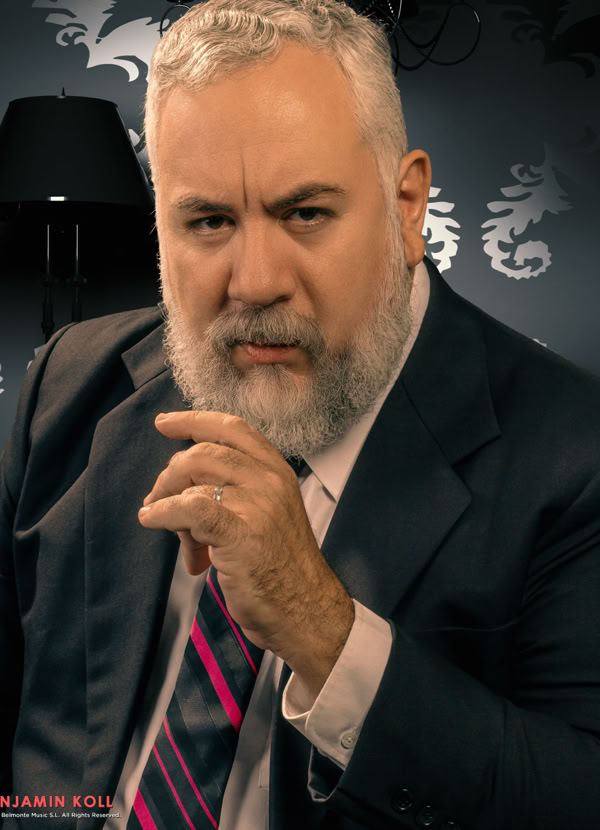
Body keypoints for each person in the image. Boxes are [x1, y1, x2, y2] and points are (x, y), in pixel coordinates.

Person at [1, 1, 599, 828]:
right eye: (208, 221)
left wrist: (323, 630)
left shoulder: (575, 451)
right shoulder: (68, 383)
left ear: (407, 205)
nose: (254, 283)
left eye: (305, 213)